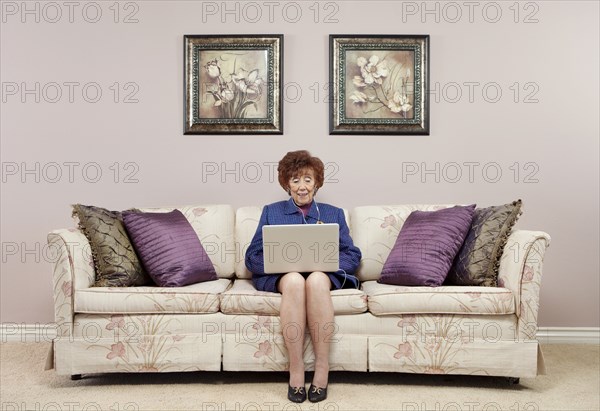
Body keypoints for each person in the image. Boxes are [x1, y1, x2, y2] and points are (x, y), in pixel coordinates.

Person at [245, 150, 362, 403]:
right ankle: (296, 369)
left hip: (323, 276)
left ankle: (322, 368)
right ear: (287, 183)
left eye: (307, 180)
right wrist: (281, 262)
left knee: (317, 278)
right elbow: (252, 256)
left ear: (317, 183)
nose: (301, 187)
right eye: (295, 180)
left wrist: (327, 261)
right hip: (285, 277)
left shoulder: (333, 213)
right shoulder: (270, 212)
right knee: (296, 279)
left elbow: (353, 255)